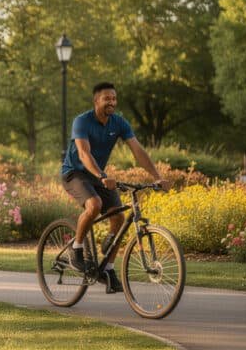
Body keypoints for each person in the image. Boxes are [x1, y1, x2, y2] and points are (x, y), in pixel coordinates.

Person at [61, 82, 170, 293]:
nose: (111, 102)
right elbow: (84, 154)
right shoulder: (82, 122)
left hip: (99, 177)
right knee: (94, 205)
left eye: (114, 98)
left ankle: (108, 269)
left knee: (119, 218)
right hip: (75, 173)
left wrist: (158, 177)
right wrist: (102, 175)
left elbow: (138, 151)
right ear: (96, 102)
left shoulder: (119, 123)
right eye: (106, 99)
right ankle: (76, 250)